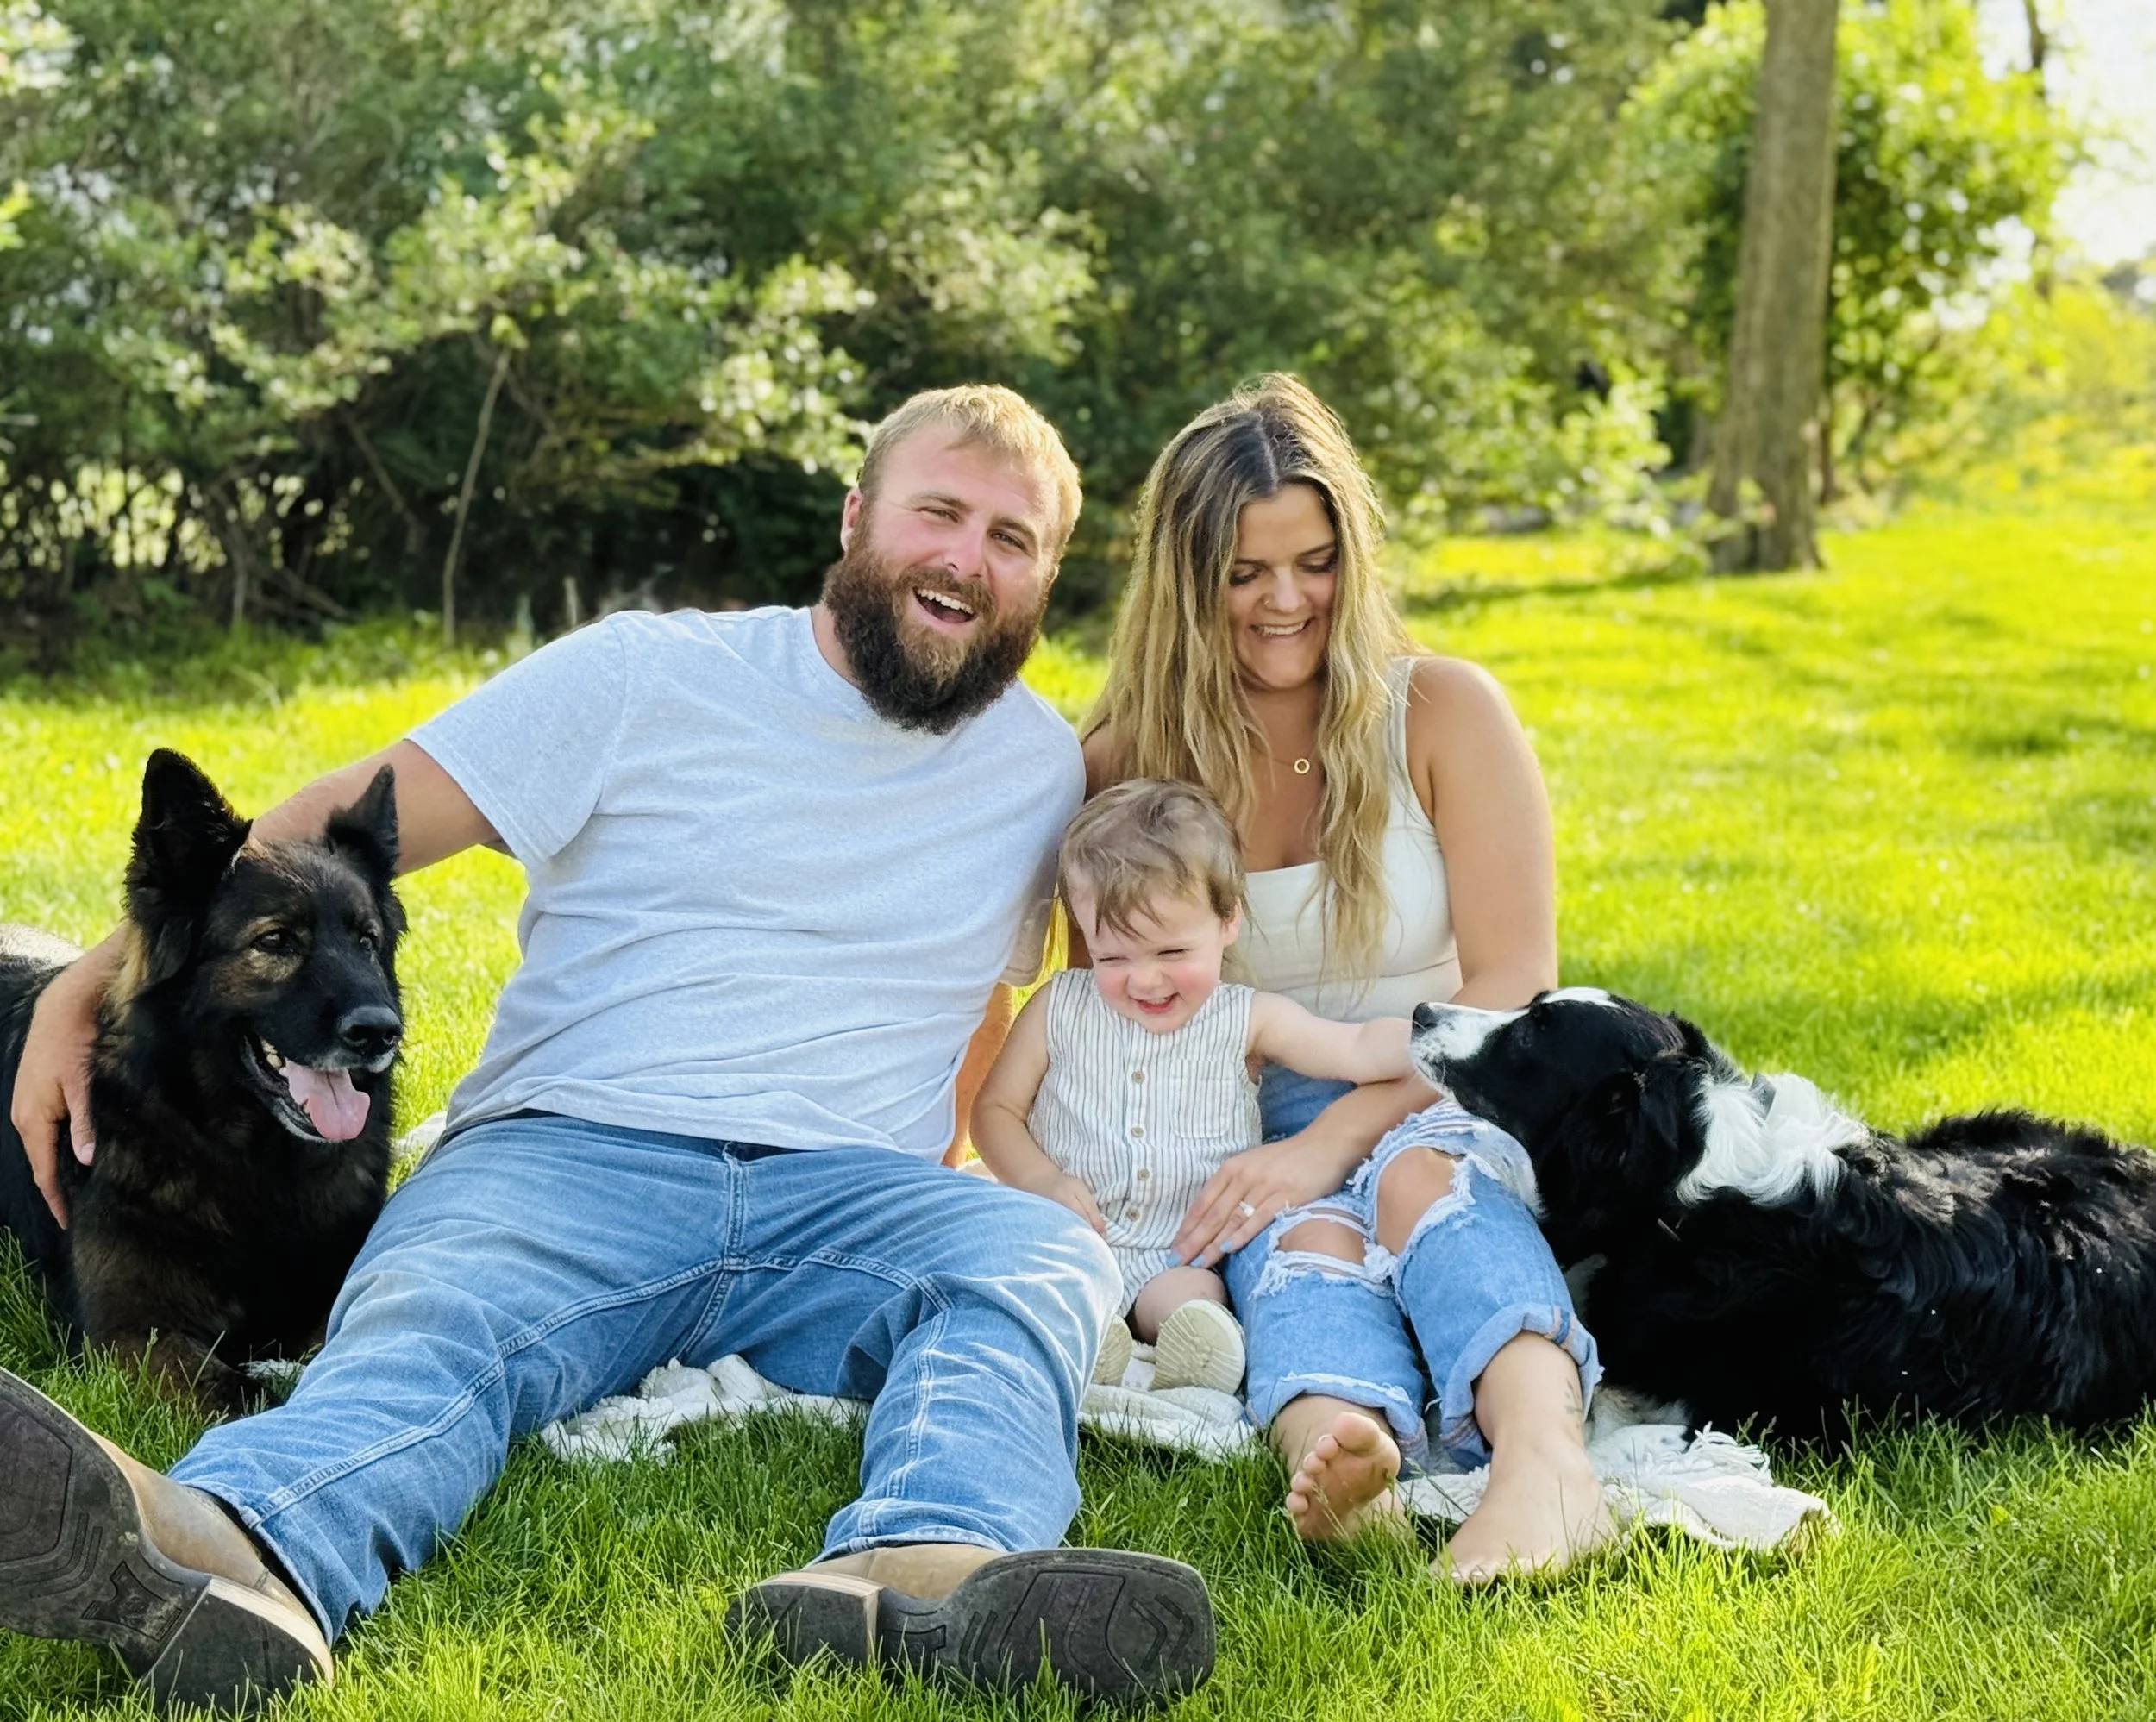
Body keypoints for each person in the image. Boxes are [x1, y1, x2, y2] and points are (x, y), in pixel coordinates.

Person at [0, 385, 1216, 1712]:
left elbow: (996, 1003)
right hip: (575, 1152)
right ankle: (239, 1545)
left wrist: (967, 1172)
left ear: (1047, 576)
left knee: (1035, 1254)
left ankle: (925, 1567)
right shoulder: (645, 673)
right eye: (940, 513)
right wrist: (81, 989)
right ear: (859, 514)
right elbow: (318, 831)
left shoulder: (1041, 770)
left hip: (843, 1197)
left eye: (1012, 538)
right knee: (437, 1314)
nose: (967, 561)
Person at [1082, 373, 1615, 1583]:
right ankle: (1337, 1451)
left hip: (1453, 1086)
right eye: (1242, 573)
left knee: (1423, 1187)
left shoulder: (1443, 711)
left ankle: (1546, 1465)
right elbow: (1102, 1024)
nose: (1286, 602)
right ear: (1183, 582)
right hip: (1247, 1121)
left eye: (1314, 561)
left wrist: (1331, 1143)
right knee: (1298, 1246)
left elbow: (1515, 982)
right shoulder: (1125, 762)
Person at [971, 777, 1415, 1398]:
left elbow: (1356, 1048)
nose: (1145, 979)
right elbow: (994, 1111)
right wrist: (1040, 1180)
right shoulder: (1057, 1008)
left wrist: (1434, 1037)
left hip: (1179, 1248)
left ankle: (1184, 1350)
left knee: (1195, 1299)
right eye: (1114, 958)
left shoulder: (1249, 1016)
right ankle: (1090, 1335)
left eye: (1172, 950)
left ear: (1227, 919)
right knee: (1033, 1273)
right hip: (1067, 1232)